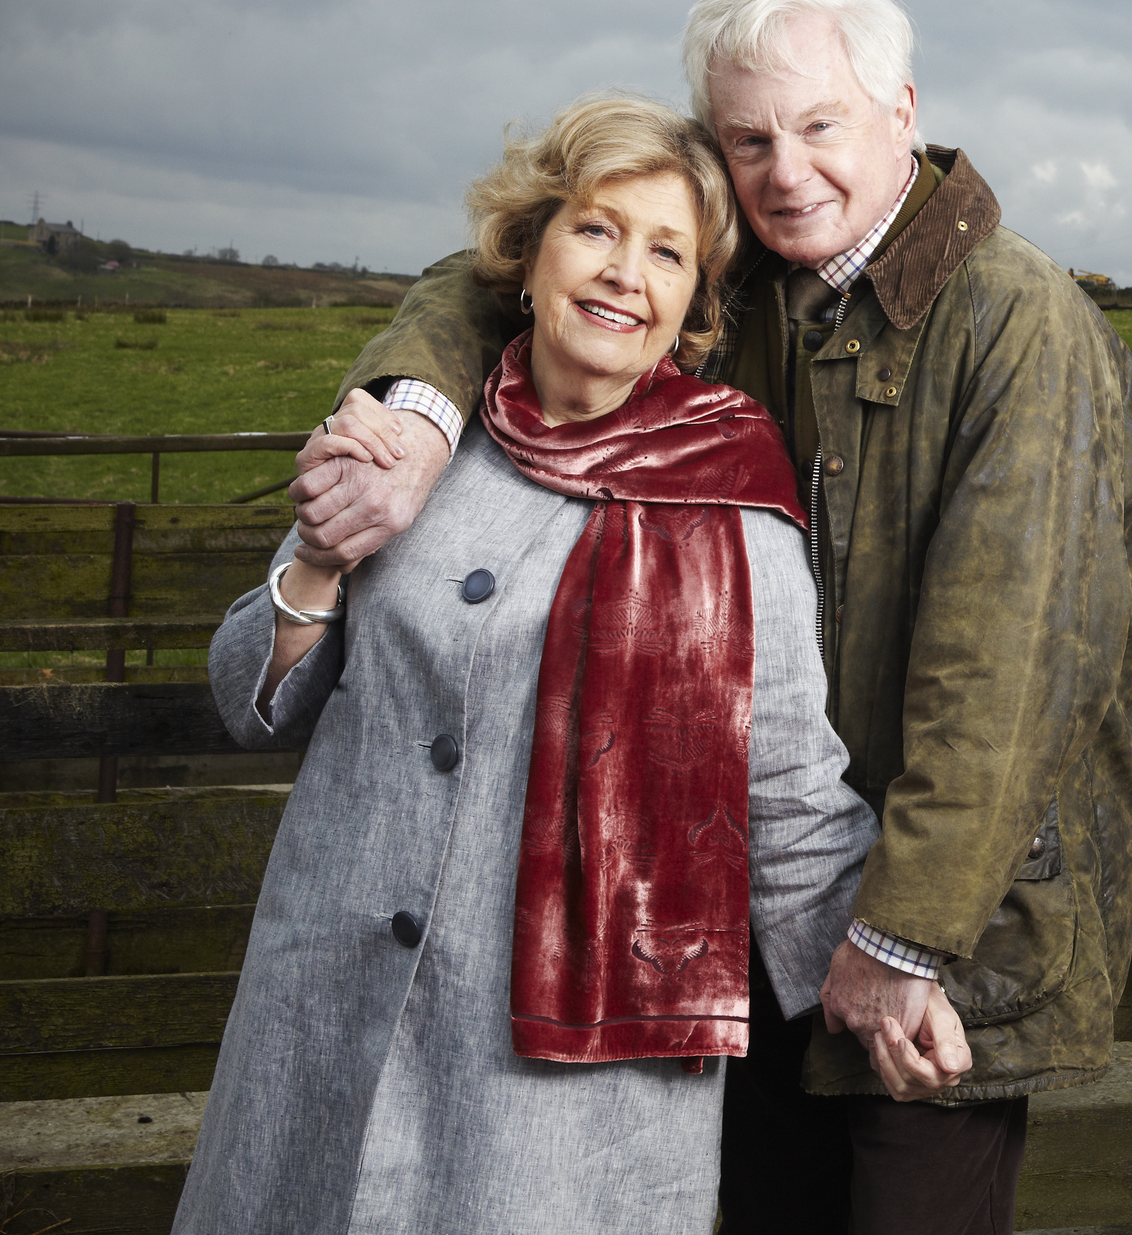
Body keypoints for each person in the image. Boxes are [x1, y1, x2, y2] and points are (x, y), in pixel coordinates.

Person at [288, 0, 1132, 1235]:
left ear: (900, 110)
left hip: (949, 922)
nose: (785, 167)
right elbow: (488, 273)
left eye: (820, 126)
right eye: (747, 137)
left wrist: (900, 937)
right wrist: (415, 411)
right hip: (740, 907)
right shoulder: (735, 271)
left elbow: (1013, 669)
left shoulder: (1016, 322)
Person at [173, 95, 889, 1235]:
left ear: (691, 303)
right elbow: (252, 709)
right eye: (597, 230)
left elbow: (789, 792)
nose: (624, 274)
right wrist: (314, 558)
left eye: (666, 253)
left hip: (558, 1079)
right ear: (530, 251)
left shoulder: (735, 506)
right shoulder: (416, 443)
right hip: (328, 1010)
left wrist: (897, 967)